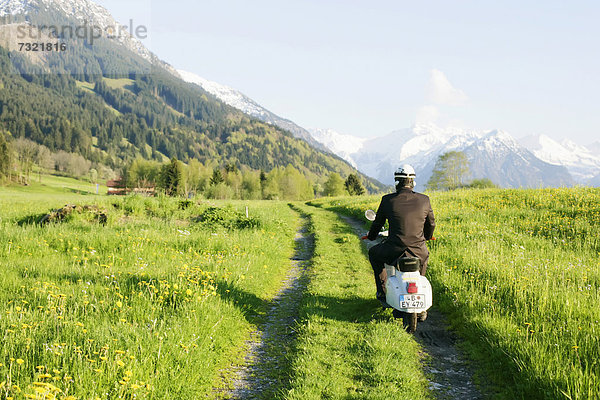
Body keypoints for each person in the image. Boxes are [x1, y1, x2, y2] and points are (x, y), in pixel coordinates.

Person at [364, 164, 435, 306]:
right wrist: (427, 236)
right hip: (418, 250)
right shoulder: (424, 200)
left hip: (393, 251)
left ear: (396, 182)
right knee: (425, 256)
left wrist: (371, 237)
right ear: (413, 182)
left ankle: (382, 291)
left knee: (373, 253)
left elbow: (377, 224)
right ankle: (419, 289)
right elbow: (431, 224)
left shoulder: (387, 200)